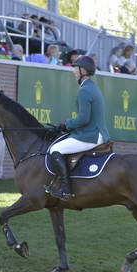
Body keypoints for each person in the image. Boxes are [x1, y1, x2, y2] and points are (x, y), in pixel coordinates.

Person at [45, 55, 111, 201]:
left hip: (91, 135)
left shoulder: (84, 91)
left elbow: (83, 118)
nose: (73, 71)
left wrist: (66, 124)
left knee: (55, 149)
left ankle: (65, 190)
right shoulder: (92, 87)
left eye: (75, 68)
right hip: (97, 132)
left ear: (83, 71)